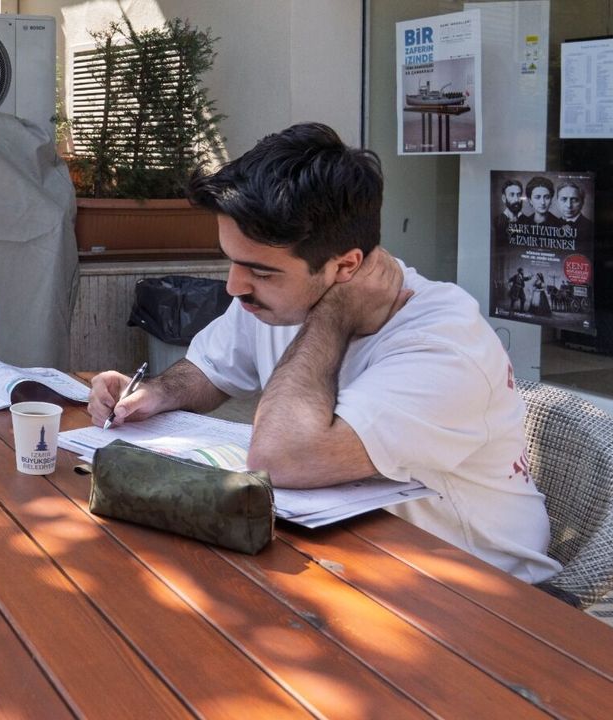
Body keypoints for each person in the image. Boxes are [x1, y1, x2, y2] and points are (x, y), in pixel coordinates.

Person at [87, 122, 560, 583]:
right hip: (351, 556)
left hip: (482, 586)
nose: (234, 286)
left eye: (260, 272)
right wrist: (155, 393)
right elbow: (209, 369)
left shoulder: (444, 346)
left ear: (346, 267)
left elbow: (281, 461)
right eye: (231, 261)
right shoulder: (277, 296)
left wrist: (332, 316)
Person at [492, 177, 525, 245]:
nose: (516, 199)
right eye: (512, 195)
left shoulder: (527, 221)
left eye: (518, 195)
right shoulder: (496, 222)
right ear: (504, 198)